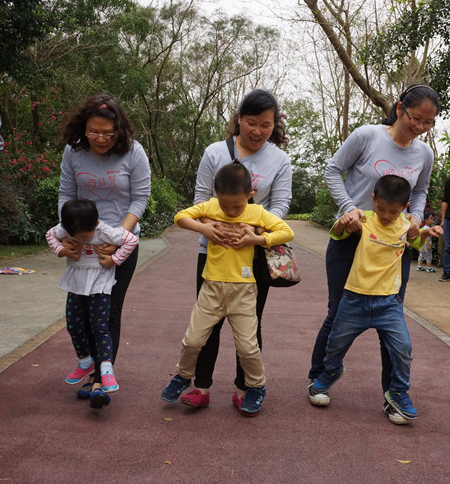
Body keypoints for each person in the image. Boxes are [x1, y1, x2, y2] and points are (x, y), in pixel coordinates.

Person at [309, 83, 439, 424]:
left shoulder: (424, 154)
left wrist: (415, 216)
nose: (420, 128)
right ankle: (320, 377)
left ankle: (393, 393)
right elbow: (332, 170)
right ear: (399, 109)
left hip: (395, 244)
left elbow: (421, 189)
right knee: (338, 310)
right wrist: (349, 208)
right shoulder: (367, 136)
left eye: (428, 123)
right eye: (415, 118)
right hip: (352, 236)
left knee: (390, 315)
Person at [178, 89, 292, 409]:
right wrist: (207, 229)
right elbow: (201, 198)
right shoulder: (215, 152)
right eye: (251, 122)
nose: (257, 131)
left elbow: (280, 203)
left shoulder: (279, 159)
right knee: (208, 323)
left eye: (266, 125)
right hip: (211, 252)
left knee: (250, 324)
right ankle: (200, 387)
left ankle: (246, 388)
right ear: (239, 119)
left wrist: (256, 230)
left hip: (253, 252)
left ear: (274, 125)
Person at [161, 162, 294, 416]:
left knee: (247, 347)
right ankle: (182, 376)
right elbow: (180, 217)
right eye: (225, 205)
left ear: (250, 194)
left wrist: (256, 239)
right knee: (192, 340)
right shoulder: (211, 206)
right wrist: (204, 228)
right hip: (211, 288)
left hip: (244, 291)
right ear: (216, 194)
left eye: (237, 206)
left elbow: (286, 232)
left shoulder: (257, 212)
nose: (231, 211)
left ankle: (256, 387)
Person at [58, 94, 151, 400]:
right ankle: (89, 364)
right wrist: (69, 235)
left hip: (119, 243)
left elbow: (140, 198)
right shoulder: (73, 151)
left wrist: (115, 238)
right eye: (93, 132)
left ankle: (101, 378)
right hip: (83, 244)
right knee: (80, 313)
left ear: (119, 131)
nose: (100, 139)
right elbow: (66, 193)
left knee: (108, 311)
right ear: (83, 128)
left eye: (108, 134)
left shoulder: (134, 153)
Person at [46, 199, 139, 409]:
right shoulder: (66, 229)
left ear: (95, 224)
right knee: (73, 325)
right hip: (76, 282)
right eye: (76, 236)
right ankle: (85, 361)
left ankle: (105, 369)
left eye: (86, 237)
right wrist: (62, 250)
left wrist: (114, 260)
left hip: (100, 283)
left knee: (100, 327)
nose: (82, 240)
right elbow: (50, 235)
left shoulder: (104, 230)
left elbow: (131, 240)